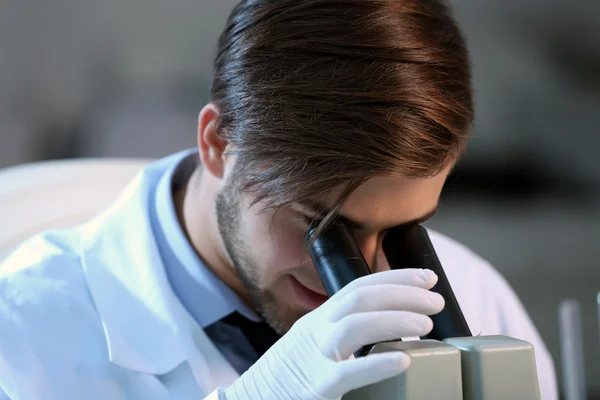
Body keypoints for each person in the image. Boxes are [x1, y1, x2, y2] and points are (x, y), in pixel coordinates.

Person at [0, 0, 558, 399]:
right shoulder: (26, 334)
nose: (362, 276)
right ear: (218, 144)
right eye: (324, 227)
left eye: (399, 233)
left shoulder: (477, 294)